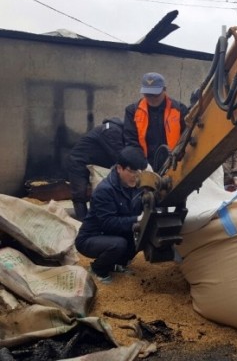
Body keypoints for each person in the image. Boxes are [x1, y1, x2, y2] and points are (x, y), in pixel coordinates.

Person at [74, 146, 147, 284]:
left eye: (139, 172)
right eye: (131, 171)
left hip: (114, 233)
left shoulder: (136, 186)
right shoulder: (105, 190)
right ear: (119, 168)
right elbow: (108, 223)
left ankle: (118, 264)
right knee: (118, 244)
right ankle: (98, 269)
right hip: (92, 237)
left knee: (141, 237)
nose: (136, 176)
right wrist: (138, 219)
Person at [124, 72, 188, 171]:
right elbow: (131, 141)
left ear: (164, 90)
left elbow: (187, 137)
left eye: (155, 95)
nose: (151, 98)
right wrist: (143, 164)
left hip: (174, 165)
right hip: (145, 166)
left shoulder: (179, 110)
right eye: (148, 95)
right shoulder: (132, 111)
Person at [66, 117, 125, 221]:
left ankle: (93, 219)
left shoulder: (113, 129)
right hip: (78, 161)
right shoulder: (111, 130)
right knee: (79, 195)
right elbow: (117, 154)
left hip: (89, 161)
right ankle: (83, 223)